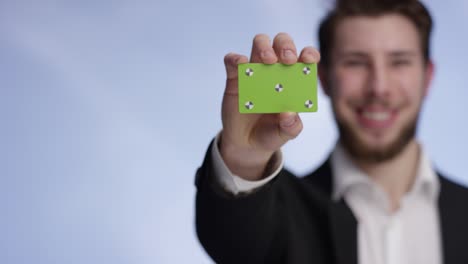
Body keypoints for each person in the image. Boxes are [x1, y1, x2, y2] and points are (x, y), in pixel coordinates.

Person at [194, 0, 468, 263]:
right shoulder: (282, 216)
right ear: (323, 79)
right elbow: (234, 243)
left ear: (428, 76)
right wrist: (244, 159)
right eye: (355, 62)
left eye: (399, 62)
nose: (379, 87)